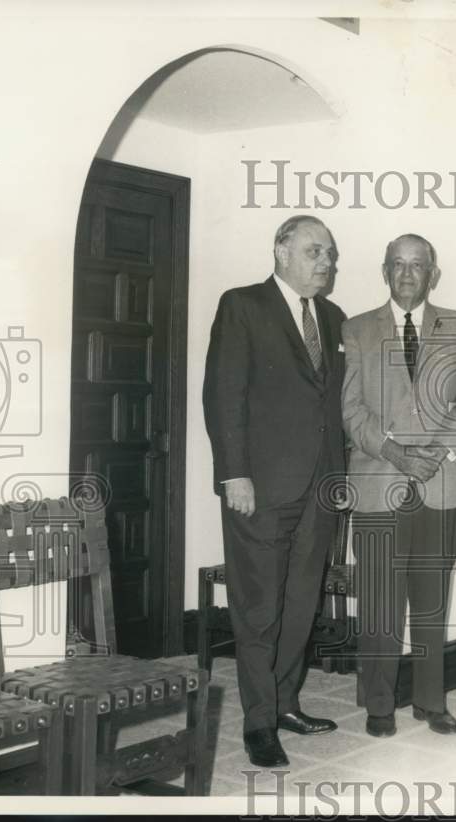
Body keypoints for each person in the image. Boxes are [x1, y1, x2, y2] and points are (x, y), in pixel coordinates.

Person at [202, 215, 346, 767]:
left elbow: (328, 406)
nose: (326, 262)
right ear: (281, 251)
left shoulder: (332, 318)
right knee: (259, 607)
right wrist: (233, 473)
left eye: (330, 253)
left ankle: (286, 703)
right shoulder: (242, 305)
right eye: (315, 251)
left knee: (302, 603)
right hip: (258, 488)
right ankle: (259, 724)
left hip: (320, 490)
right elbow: (223, 394)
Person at [342, 233, 456, 738]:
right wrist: (398, 453)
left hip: (442, 483)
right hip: (379, 482)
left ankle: (430, 699)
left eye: (417, 265)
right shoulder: (356, 329)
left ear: (433, 274)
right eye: (398, 265)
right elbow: (351, 409)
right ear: (384, 271)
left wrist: (437, 454)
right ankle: (379, 704)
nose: (407, 274)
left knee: (431, 598)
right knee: (380, 600)